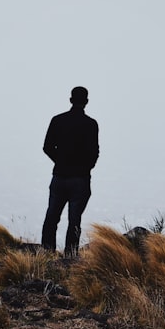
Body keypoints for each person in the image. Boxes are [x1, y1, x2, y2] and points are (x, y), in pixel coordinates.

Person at [41, 86, 99, 256]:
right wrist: (86, 167)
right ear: (86, 102)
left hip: (59, 176)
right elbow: (94, 152)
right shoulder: (91, 124)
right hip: (80, 179)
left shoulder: (58, 120)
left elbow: (47, 147)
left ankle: (47, 252)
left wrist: (60, 161)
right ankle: (70, 256)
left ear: (70, 100)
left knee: (52, 217)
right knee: (74, 221)